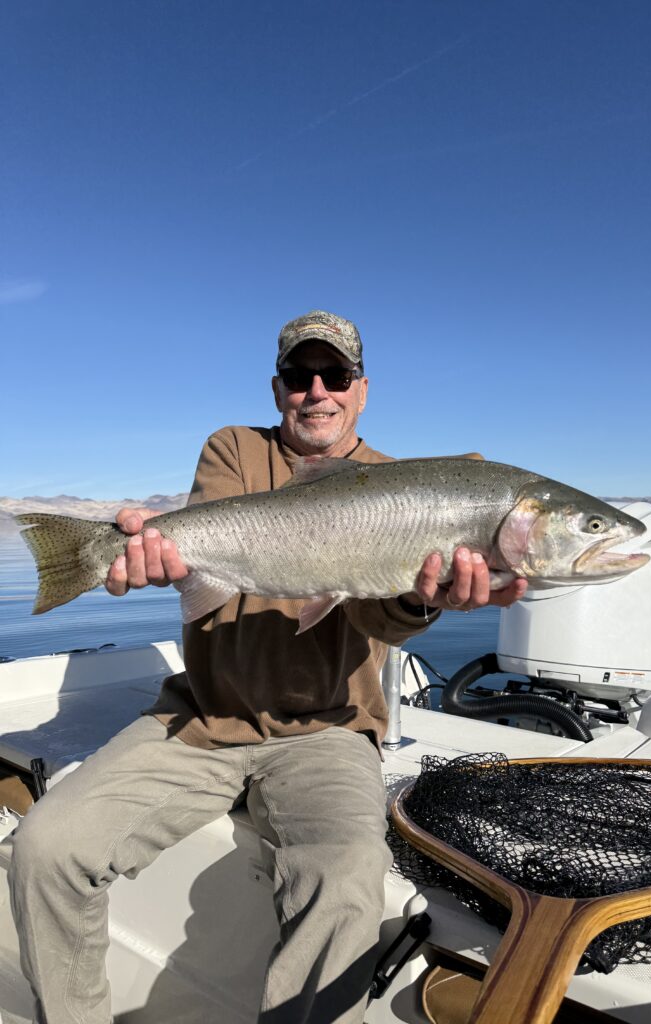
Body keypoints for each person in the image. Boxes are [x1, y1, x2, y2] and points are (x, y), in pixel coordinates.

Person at [9, 310, 527, 1024]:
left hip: (329, 731)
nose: (317, 391)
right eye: (299, 375)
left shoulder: (397, 486)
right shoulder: (233, 448)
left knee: (348, 881)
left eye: (335, 375)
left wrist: (418, 601)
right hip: (201, 718)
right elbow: (215, 549)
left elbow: (380, 619)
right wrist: (142, 554)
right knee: (44, 847)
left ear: (361, 389)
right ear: (278, 387)